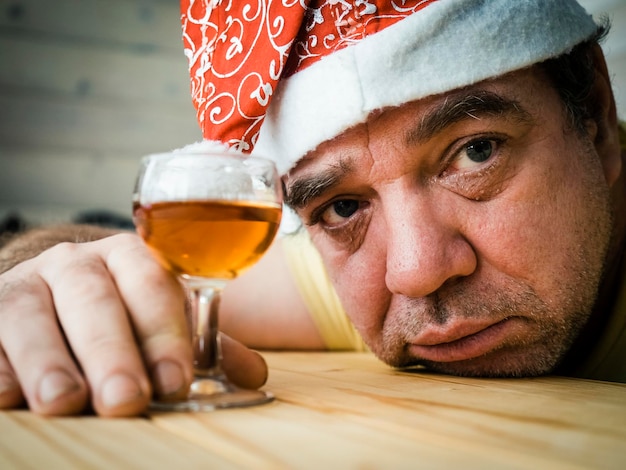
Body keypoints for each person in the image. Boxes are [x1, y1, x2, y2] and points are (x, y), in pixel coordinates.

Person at [0, 0, 624, 417]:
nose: (414, 272)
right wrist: (41, 277)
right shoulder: (350, 281)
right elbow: (117, 271)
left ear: (594, 115)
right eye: (344, 205)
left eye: (476, 152)